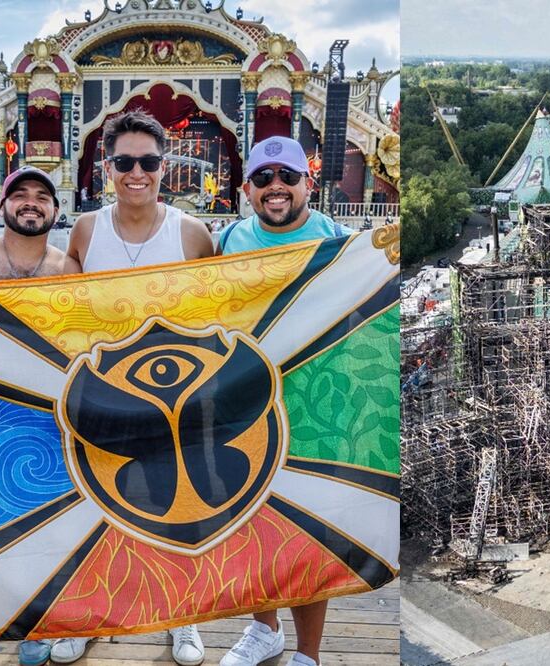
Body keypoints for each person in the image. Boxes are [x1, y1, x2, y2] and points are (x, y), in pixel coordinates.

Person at [59, 109, 213, 666]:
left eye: (148, 161)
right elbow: (60, 310)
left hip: (177, 395)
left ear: (164, 167)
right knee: (96, 508)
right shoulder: (86, 231)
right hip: (103, 397)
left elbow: (220, 315)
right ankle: (90, 614)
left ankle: (185, 618)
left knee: (182, 507)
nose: (136, 173)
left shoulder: (191, 233)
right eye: (124, 162)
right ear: (107, 168)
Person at [216, 135, 351, 666]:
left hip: (310, 401)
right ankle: (263, 629)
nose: (277, 188)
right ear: (247, 188)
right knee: (250, 524)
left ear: (308, 184)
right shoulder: (227, 241)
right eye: (265, 178)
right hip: (244, 404)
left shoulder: (338, 241)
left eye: (288, 177)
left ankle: (308, 654)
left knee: (307, 526)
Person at [0, 165, 77, 666]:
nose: (30, 202)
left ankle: (37, 624)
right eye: (19, 194)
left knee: (46, 523)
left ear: (55, 209)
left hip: (45, 413)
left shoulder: (68, 269)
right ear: (2, 205)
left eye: (41, 197)